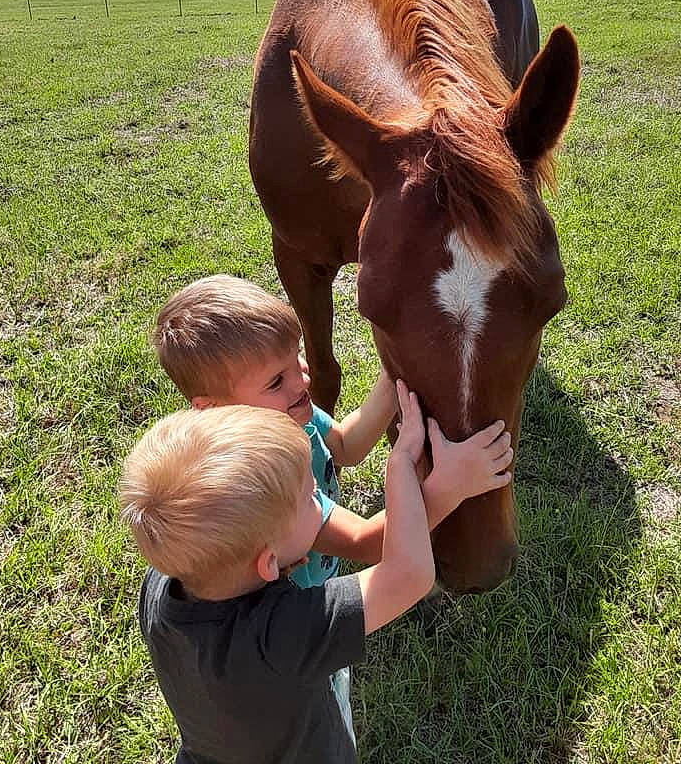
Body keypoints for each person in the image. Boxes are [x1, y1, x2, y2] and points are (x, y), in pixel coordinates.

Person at [151, 275, 512, 733]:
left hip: (301, 612)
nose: (302, 377)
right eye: (276, 379)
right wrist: (449, 487)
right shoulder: (268, 487)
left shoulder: (289, 415)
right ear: (213, 407)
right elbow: (369, 543)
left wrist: (393, 373)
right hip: (294, 622)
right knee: (319, 706)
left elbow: (345, 444)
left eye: (295, 355)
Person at [119, 383, 513, 763]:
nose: (320, 499)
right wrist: (406, 469)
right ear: (268, 562)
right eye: (311, 498)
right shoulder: (281, 636)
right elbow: (407, 575)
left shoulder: (161, 587)